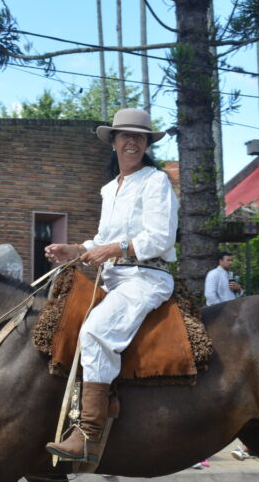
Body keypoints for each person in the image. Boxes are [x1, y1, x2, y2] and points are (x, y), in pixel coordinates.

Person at [43, 108, 178, 463]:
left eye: (140, 137)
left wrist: (113, 249)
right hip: (114, 279)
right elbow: (103, 239)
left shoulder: (156, 181)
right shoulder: (109, 189)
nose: (132, 142)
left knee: (95, 331)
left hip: (146, 278)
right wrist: (76, 249)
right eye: (125, 136)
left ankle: (88, 432)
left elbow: (161, 238)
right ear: (113, 141)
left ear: (146, 143)